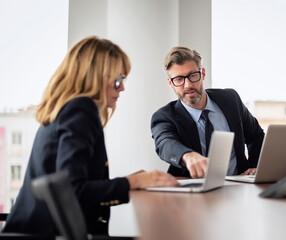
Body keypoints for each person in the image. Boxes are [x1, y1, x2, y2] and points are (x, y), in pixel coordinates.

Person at [2, 36, 179, 236]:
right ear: (96, 77)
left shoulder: (68, 109)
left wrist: (130, 181)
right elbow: (73, 190)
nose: (122, 87)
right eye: (117, 80)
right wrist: (133, 183)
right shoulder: (81, 110)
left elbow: (72, 184)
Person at [151, 46, 265, 178]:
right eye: (179, 79)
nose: (187, 85)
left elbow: (256, 135)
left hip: (238, 185)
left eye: (193, 75)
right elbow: (165, 143)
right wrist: (187, 155)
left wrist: (255, 168)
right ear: (170, 83)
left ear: (202, 74)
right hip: (192, 192)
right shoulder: (164, 116)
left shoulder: (230, 99)